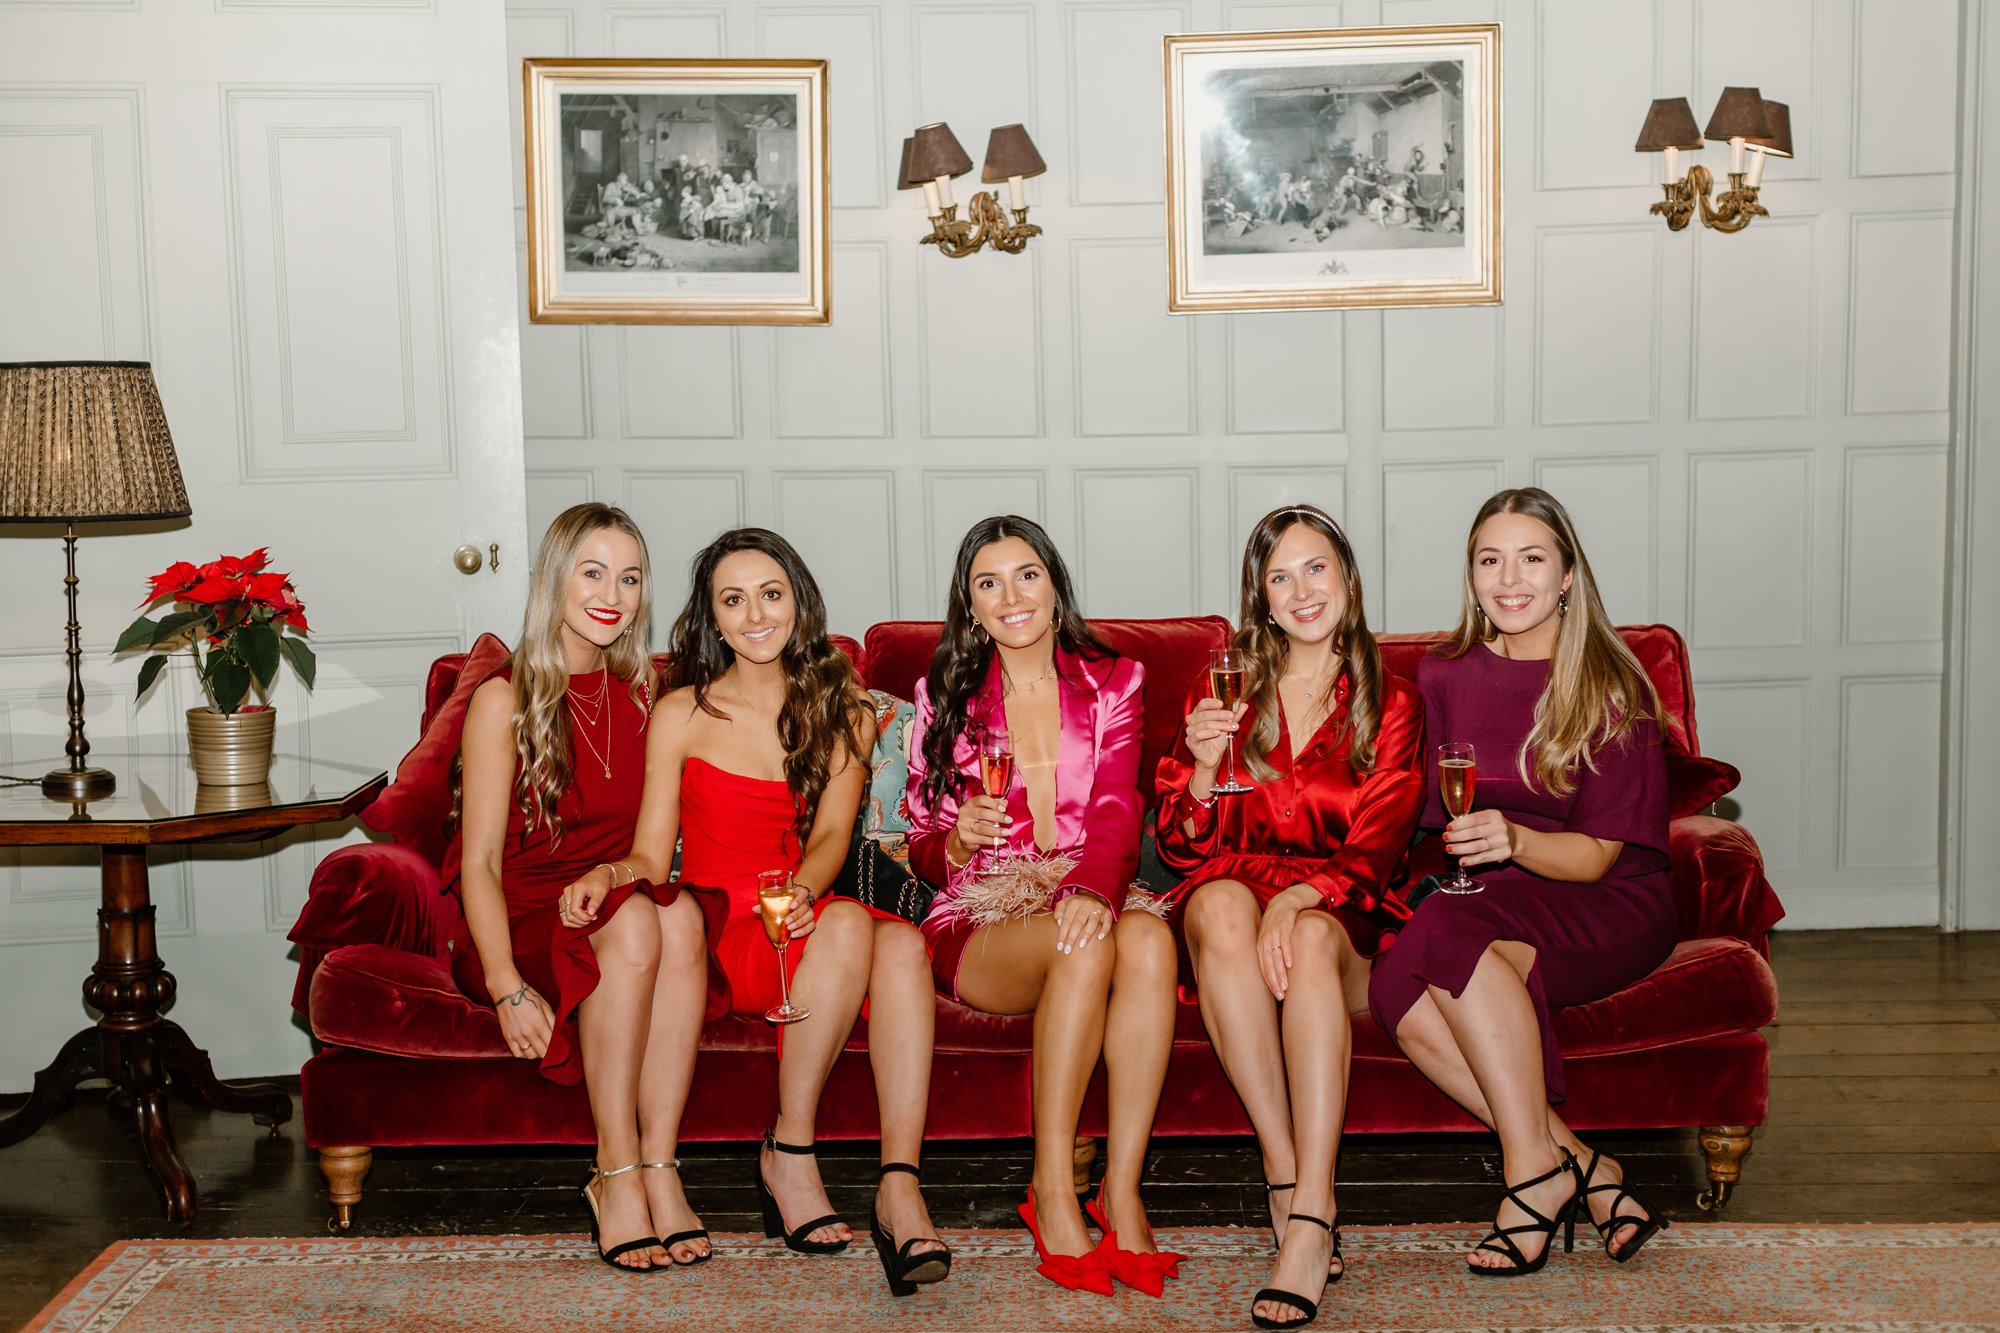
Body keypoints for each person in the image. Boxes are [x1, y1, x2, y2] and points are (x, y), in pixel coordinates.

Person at [588, 528, 950, 1297]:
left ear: (799, 602)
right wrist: (609, 873)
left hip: (799, 911)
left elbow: (828, 838)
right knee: (855, 926)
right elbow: (654, 855)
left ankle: (895, 1181)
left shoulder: (845, 707)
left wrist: (805, 895)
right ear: (712, 619)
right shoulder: (682, 711)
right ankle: (792, 1151)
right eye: (733, 598)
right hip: (721, 930)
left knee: (900, 945)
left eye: (771, 593)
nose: (755, 613)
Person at [1368, 487, 1676, 1277]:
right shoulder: (1441, 674)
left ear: (1568, 574)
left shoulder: (1613, 684)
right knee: (1395, 980)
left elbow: (1601, 854)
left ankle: (1527, 1182)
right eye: (1489, 559)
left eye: (1532, 558)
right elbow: (1420, 815)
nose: (1510, 578)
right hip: (1491, 890)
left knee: (1437, 935)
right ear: (1470, 575)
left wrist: (1516, 837)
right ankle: (1574, 1166)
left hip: (1605, 898)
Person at [1155, 505, 1423, 1331]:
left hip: (1342, 911)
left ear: (1347, 577)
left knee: (1303, 934)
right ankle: (1286, 1170)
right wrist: (1201, 770)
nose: (1301, 590)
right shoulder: (1222, 688)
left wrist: (1303, 900)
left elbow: (1377, 852)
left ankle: (1310, 1212)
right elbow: (1180, 845)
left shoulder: (1393, 700)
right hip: (1233, 895)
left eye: (1316, 569)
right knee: (1222, 901)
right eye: (1280, 576)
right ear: (1260, 599)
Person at [904, 516, 1180, 1297]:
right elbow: (923, 845)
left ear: (1054, 583)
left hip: (1085, 877)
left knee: (1152, 945)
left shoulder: (1116, 679)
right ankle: (1053, 1188)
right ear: (970, 602)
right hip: (983, 910)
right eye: (988, 582)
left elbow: (1122, 808)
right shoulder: (943, 694)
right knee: (1085, 945)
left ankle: (1120, 1190)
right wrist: (956, 840)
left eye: (1026, 574)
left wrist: (1091, 887)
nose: (1011, 596)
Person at [448, 502, 719, 1273]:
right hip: (522, 917)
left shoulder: (650, 691)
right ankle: (616, 1170)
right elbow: (480, 866)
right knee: (640, 927)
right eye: (593, 572)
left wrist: (614, 878)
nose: (613, 593)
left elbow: (650, 854)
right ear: (554, 580)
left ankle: (662, 1168)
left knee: (683, 919)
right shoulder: (504, 697)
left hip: (620, 894)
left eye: (629, 577)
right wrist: (504, 985)